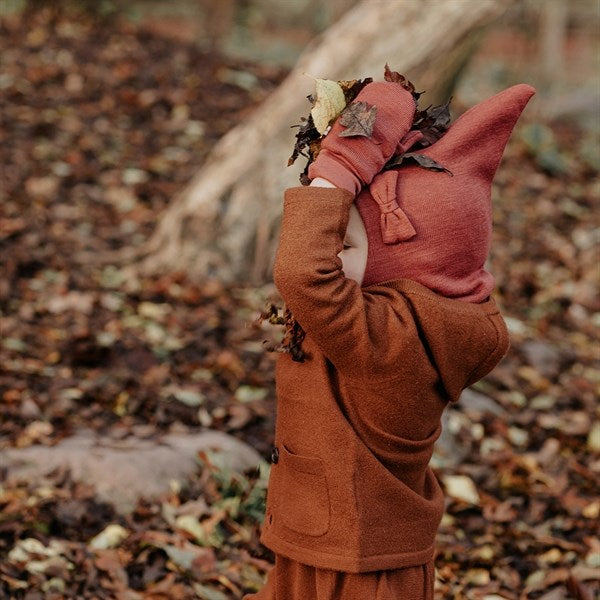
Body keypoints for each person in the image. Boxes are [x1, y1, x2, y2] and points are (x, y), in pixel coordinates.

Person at [245, 80, 535, 600]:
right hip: (335, 541)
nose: (330, 248)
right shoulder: (416, 321)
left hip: (356, 570)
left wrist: (343, 164)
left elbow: (301, 272)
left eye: (346, 241)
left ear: (403, 265)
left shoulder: (391, 339)